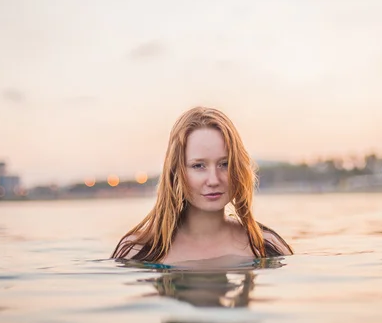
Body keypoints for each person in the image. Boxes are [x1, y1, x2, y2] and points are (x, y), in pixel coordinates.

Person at [111, 106, 293, 264]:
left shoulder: (266, 246)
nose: (214, 180)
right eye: (199, 166)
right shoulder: (138, 251)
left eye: (225, 164)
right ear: (176, 172)